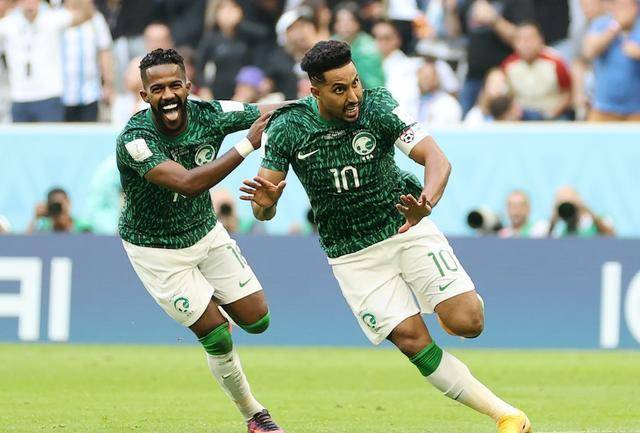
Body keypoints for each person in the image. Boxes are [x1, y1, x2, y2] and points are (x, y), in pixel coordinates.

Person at [241, 40, 531, 433]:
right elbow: (263, 206)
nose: (353, 96)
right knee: (412, 340)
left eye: (355, 83)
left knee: (468, 322)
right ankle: (507, 416)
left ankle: (452, 306)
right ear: (315, 91)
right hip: (352, 254)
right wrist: (266, 206)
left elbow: (437, 158)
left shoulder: (378, 106)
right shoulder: (289, 127)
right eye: (340, 89)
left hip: (405, 225)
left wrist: (425, 203)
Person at [115, 48, 285, 433]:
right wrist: (246, 145)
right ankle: (255, 416)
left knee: (258, 320)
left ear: (188, 86)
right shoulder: (135, 139)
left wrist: (318, 100)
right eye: (157, 89)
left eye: (175, 85)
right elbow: (188, 183)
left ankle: (209, 308)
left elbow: (265, 110)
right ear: (144, 95)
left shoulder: (210, 114)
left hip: (205, 233)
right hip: (156, 250)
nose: (168, 95)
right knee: (218, 337)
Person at [0, 0, 94, 122]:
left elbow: (86, 15)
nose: (30, 3)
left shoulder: (52, 18)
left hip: (49, 96)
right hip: (19, 97)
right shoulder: (8, 24)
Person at [582, 0, 640, 121]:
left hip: (636, 110)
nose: (622, 10)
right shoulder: (601, 24)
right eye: (618, 5)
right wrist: (615, 28)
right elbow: (588, 51)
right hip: (603, 109)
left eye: (626, 6)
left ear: (636, 7)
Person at [502, 22, 572, 120]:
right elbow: (506, 95)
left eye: (530, 39)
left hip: (551, 115)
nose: (526, 44)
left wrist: (552, 114)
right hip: (521, 116)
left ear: (541, 40)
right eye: (522, 39)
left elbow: (568, 92)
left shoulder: (555, 63)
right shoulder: (508, 65)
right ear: (514, 43)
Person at [548, 185, 615, 237]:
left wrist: (589, 212)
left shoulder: (598, 222)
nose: (567, 211)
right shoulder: (562, 232)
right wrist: (552, 223)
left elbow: (611, 236)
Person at [27, 187, 91, 233]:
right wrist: (35, 218)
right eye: (54, 205)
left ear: (69, 203)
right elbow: (25, 243)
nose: (57, 208)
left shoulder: (83, 228)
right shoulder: (45, 228)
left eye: (60, 203)